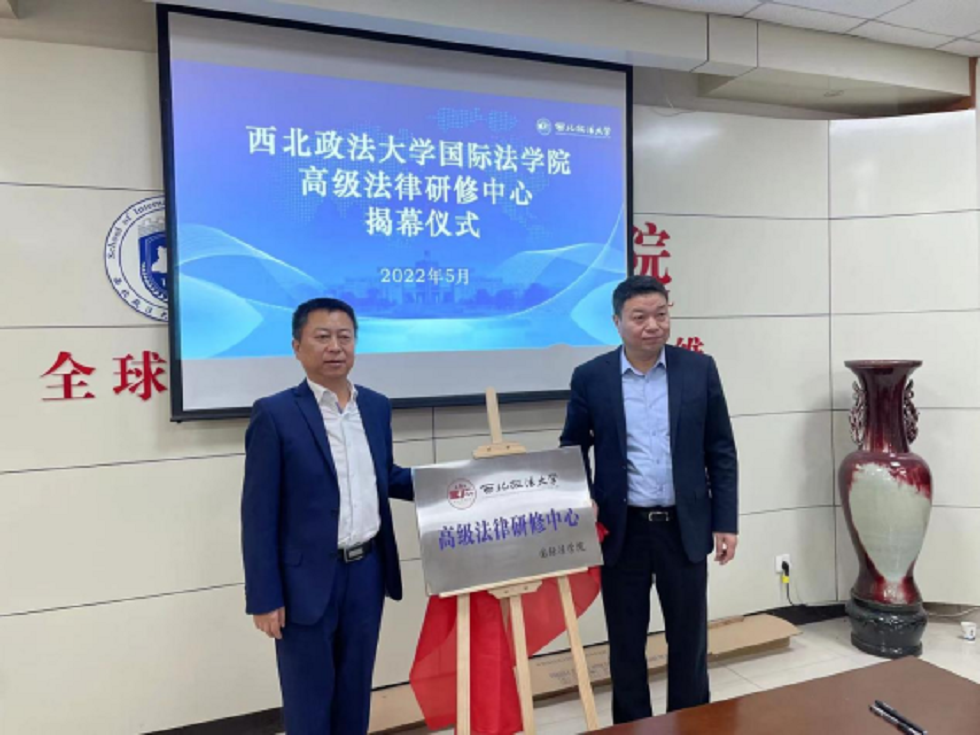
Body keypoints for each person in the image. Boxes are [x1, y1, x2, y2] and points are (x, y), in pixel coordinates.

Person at [559, 275, 738, 724]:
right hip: (624, 532)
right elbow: (572, 447)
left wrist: (726, 521)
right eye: (639, 317)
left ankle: (691, 724)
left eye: (661, 314)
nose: (652, 325)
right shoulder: (591, 377)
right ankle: (632, 726)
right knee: (625, 643)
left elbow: (721, 448)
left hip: (684, 526)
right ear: (617, 322)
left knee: (689, 640)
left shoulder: (698, 369)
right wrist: (584, 497)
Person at [241, 297, 413, 734]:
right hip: (306, 582)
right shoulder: (275, 414)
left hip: (367, 572)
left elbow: (386, 476)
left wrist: (453, 483)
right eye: (322, 337)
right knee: (309, 701)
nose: (335, 347)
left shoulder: (375, 407)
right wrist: (264, 596)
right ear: (297, 347)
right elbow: (258, 513)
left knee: (355, 694)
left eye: (344, 337)